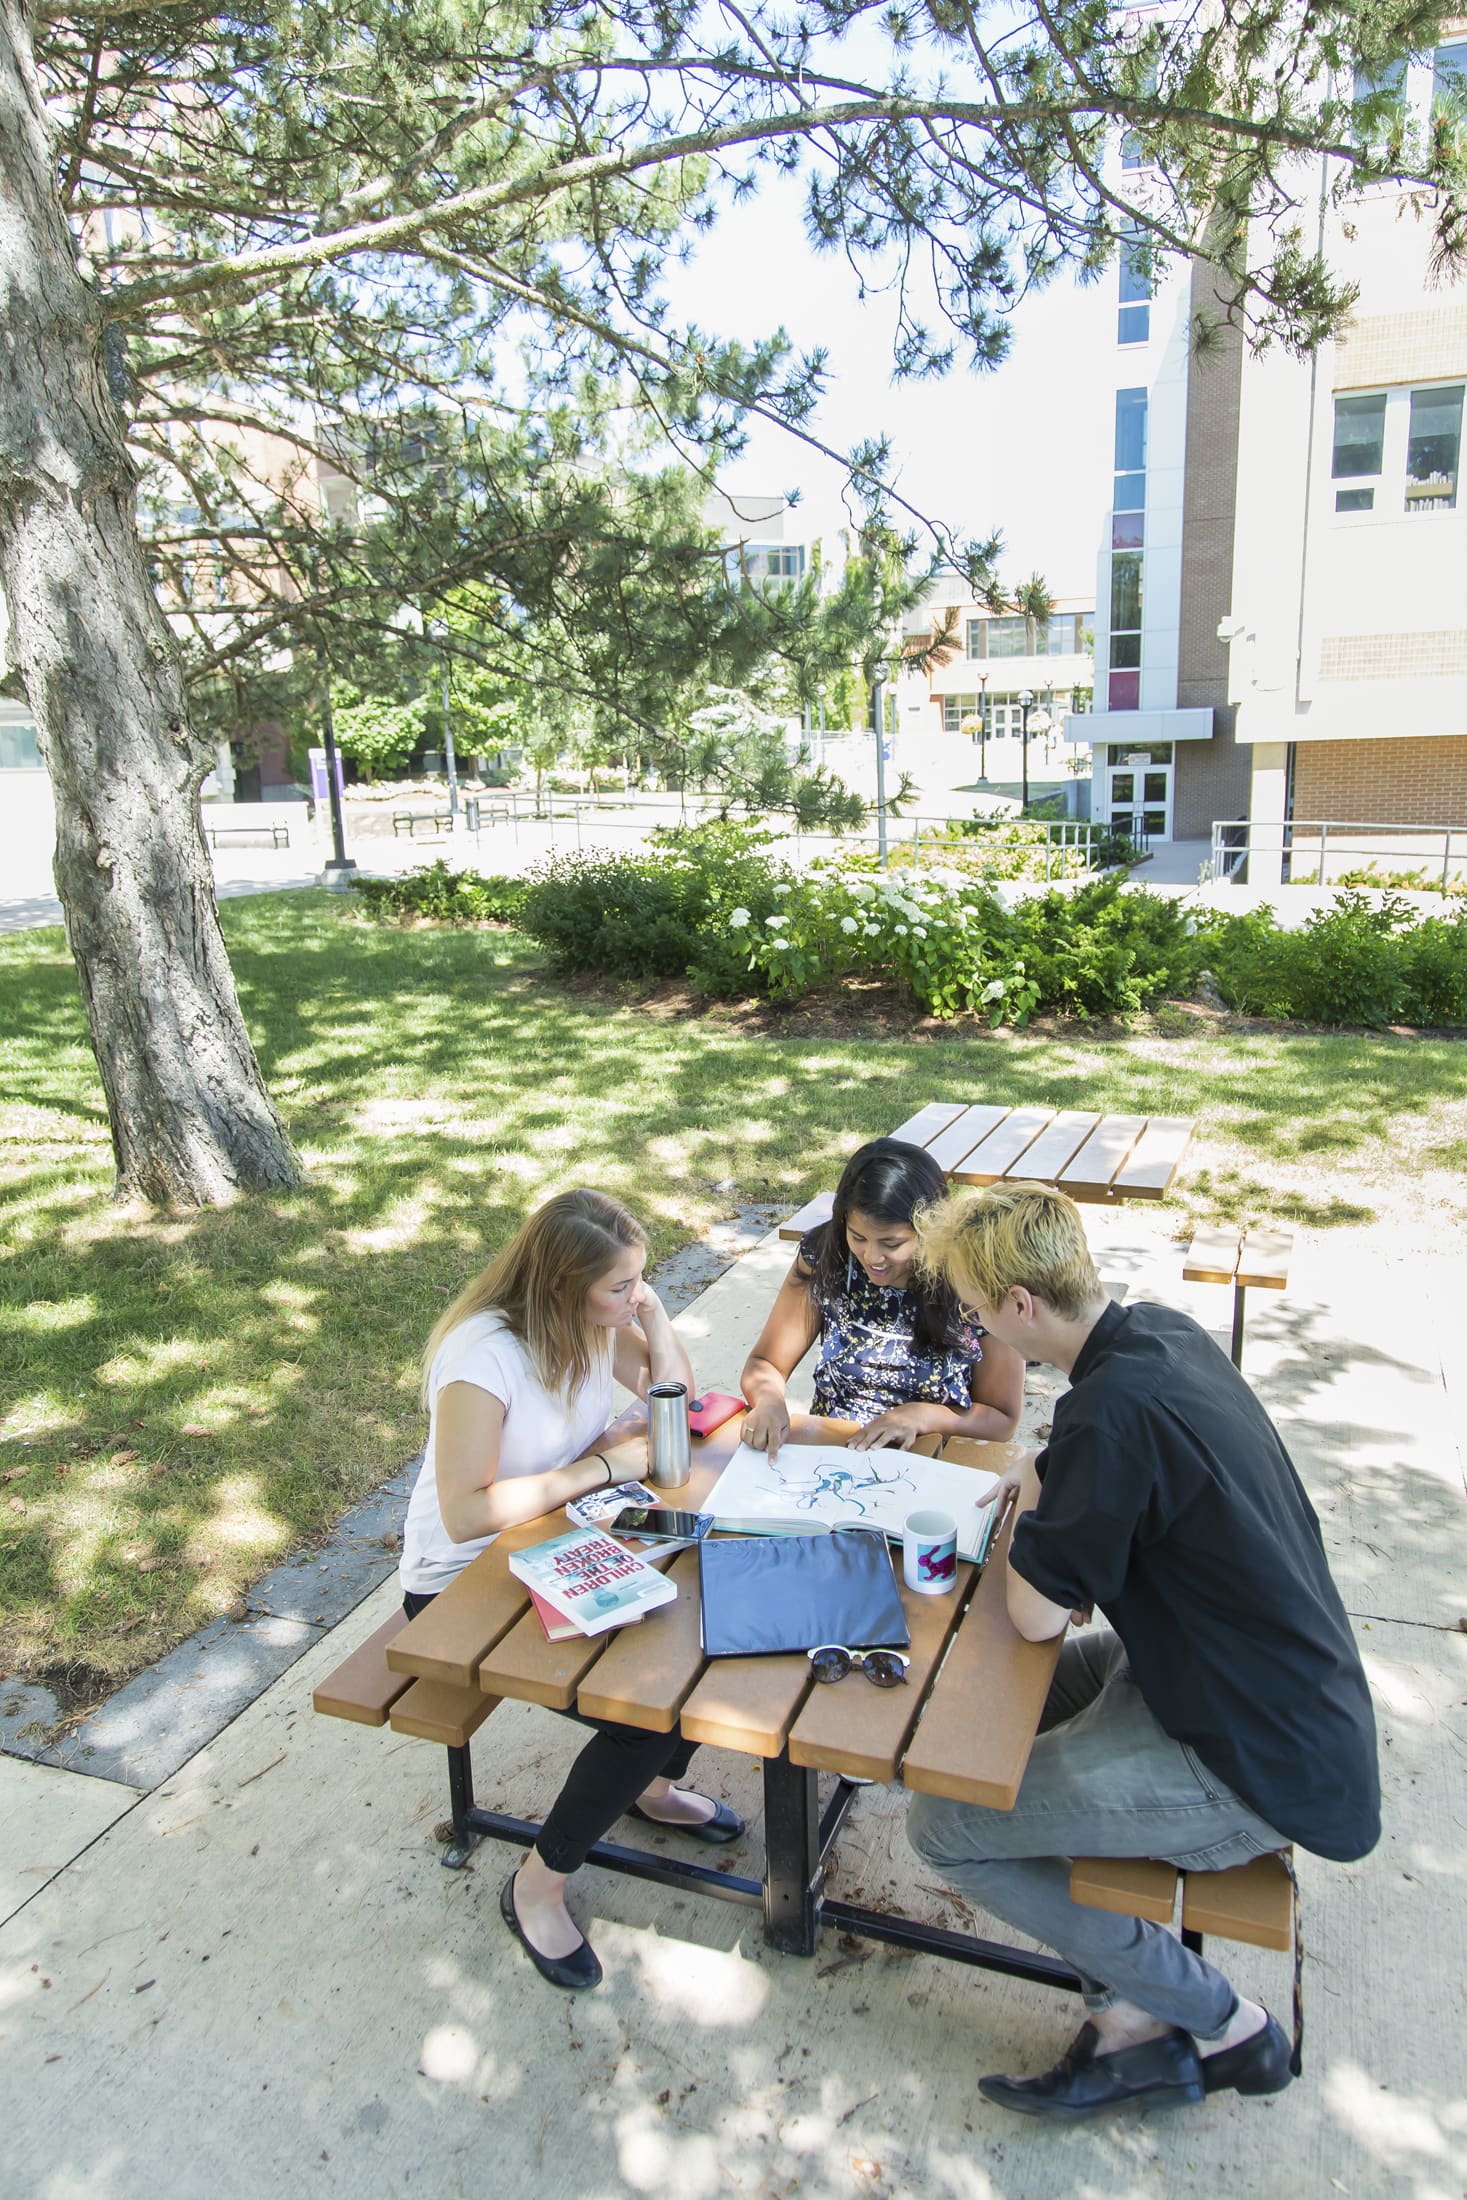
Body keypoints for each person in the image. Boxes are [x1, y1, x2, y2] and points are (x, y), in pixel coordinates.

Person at [906, 1180, 1379, 2120]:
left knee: (943, 1829)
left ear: (1020, 1307)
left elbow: (1036, 1614)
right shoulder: (1156, 1334)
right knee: (975, 1710)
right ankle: (1122, 2005)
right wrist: (1045, 1471)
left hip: (1245, 1763)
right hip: (1220, 1680)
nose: (970, 1329)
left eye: (972, 1311)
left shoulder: (1108, 1418)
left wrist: (1026, 1505)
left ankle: (1218, 2025)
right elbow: (1069, 1470)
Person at [399, 1188, 742, 1994]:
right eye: (619, 1289)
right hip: (462, 1583)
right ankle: (539, 1884)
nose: (631, 1301)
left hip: (553, 1540)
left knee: (703, 1628)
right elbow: (463, 1514)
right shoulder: (481, 1357)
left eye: (638, 1284)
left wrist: (653, 1321)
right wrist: (600, 1468)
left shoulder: (595, 1323)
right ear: (560, 1285)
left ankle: (647, 1790)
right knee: (645, 1714)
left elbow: (675, 1399)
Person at [740, 1137, 1024, 1458]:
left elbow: (1002, 1418)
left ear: (931, 1228)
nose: (872, 1257)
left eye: (892, 1243)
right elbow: (766, 1364)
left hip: (933, 1459)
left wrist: (921, 1415)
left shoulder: (972, 1279)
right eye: (858, 1237)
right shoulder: (826, 1255)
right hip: (833, 1453)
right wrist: (769, 1401)